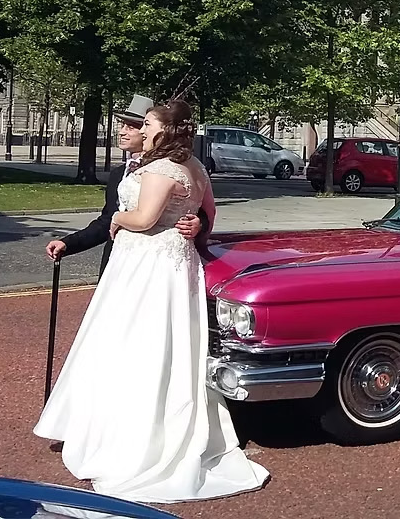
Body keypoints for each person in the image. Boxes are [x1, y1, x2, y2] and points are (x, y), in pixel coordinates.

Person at [34, 99, 269, 504]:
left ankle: (131, 436)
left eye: (144, 123)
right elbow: (203, 207)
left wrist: (121, 219)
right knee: (151, 343)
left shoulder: (161, 169)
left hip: (147, 266)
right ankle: (99, 422)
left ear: (163, 130)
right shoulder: (191, 167)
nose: (136, 129)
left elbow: (145, 219)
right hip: (163, 265)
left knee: (139, 344)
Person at [46, 95, 207, 274]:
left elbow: (197, 209)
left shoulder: (173, 167)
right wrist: (68, 243)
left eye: (132, 127)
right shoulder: (118, 174)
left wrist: (199, 225)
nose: (122, 132)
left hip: (156, 262)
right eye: (122, 126)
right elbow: (105, 221)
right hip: (119, 259)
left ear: (163, 130)